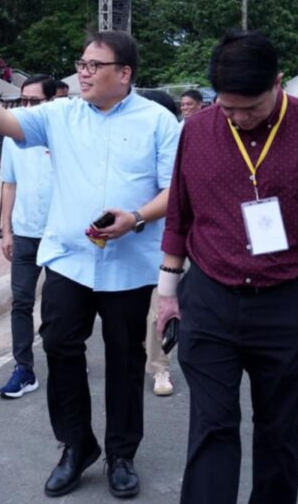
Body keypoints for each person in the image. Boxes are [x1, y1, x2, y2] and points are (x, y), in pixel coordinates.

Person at [0, 30, 180, 499]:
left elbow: (174, 191)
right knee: (59, 346)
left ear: (125, 73)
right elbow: (3, 121)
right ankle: (77, 447)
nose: (83, 71)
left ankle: (122, 453)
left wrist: (136, 217)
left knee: (124, 359)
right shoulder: (60, 114)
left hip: (129, 264)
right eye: (80, 62)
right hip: (68, 260)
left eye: (94, 65)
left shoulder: (158, 122)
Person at [157, 30, 298, 504]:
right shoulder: (199, 129)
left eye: (252, 108)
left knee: (279, 430)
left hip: (288, 302)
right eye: (229, 109)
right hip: (209, 298)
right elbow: (180, 214)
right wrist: (167, 295)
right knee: (211, 425)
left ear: (278, 83)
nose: (241, 119)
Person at [0, 74, 56, 398]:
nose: (28, 107)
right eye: (24, 101)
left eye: (35, 101)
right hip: (25, 234)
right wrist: (6, 229)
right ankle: (23, 369)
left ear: (50, 103)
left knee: (58, 306)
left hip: (60, 236)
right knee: (20, 302)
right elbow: (9, 183)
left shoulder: (64, 135)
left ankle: (64, 356)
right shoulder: (12, 137)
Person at [137, 89, 180, 396]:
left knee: (158, 307)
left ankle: (160, 368)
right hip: (128, 242)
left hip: (165, 244)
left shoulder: (177, 146)